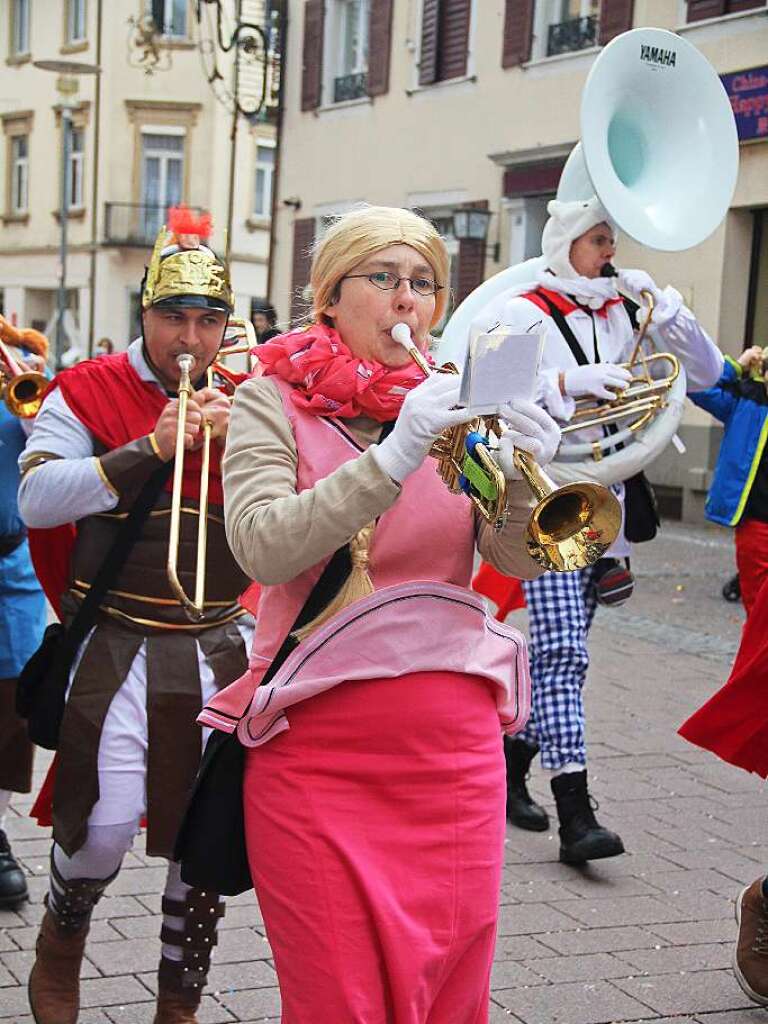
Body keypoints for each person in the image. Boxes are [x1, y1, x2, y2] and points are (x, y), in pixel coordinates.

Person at [198, 205, 561, 1022]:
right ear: (331, 297)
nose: (408, 300)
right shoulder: (270, 401)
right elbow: (261, 547)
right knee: (339, 1000)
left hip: (453, 759)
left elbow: (512, 561)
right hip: (318, 752)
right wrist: (396, 455)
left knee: (448, 996)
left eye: (424, 284)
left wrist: (533, 467)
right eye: (385, 278)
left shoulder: (456, 406)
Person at [18, 207, 254, 1024]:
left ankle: (179, 1003)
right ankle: (61, 937)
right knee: (103, 829)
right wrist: (145, 450)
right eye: (174, 317)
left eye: (209, 319)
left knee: (206, 840)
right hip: (115, 638)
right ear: (143, 314)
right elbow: (37, 501)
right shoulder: (87, 387)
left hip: (219, 642)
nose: (191, 338)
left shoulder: (256, 391)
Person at [472, 196, 724, 864]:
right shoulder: (520, 308)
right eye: (597, 239)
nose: (610, 251)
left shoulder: (627, 309)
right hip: (543, 498)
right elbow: (488, 397)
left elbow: (705, 376)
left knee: (565, 653)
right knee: (563, 655)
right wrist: (564, 381)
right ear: (565, 244)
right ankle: (576, 816)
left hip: (604, 504)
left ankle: (511, 758)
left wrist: (676, 320)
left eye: (611, 239)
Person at [0, 321, 48, 909]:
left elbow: (51, 451)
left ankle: (0, 830)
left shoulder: (19, 368)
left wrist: (31, 398)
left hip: (10, 566)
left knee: (11, 705)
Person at [689, 344, 768, 616]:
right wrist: (735, 366)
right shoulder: (745, 401)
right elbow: (698, 387)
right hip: (757, 523)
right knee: (758, 610)